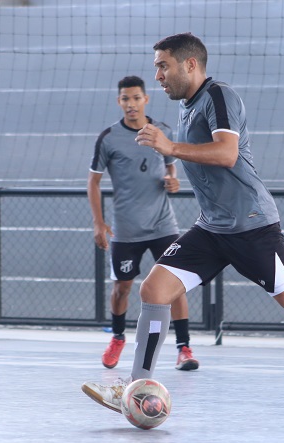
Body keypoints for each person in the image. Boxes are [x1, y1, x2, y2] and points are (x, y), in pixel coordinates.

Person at [82, 34, 284, 422]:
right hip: (213, 228)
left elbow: (227, 153)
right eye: (156, 68)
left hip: (251, 226)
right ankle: (135, 386)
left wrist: (170, 148)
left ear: (190, 64)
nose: (158, 75)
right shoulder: (186, 106)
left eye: (163, 66)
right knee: (154, 288)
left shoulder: (218, 97)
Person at [86, 75, 199, 372]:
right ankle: (118, 337)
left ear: (146, 99)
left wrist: (173, 182)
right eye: (126, 98)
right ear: (119, 101)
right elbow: (93, 182)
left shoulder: (161, 130)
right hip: (126, 229)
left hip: (163, 225)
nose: (131, 103)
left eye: (136, 98)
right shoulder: (108, 138)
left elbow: (171, 167)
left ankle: (184, 348)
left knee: (175, 287)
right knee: (122, 287)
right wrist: (99, 223)